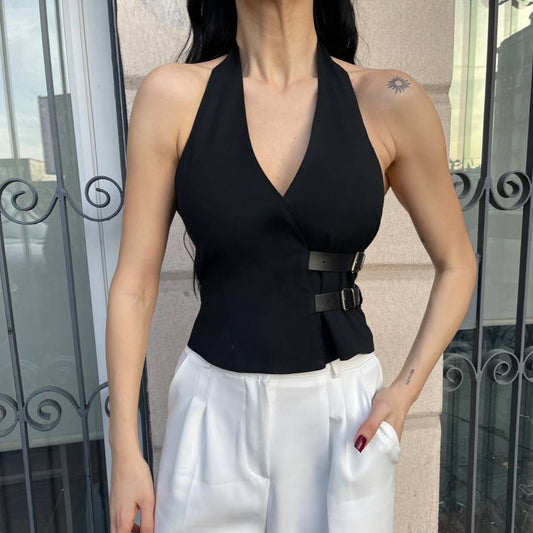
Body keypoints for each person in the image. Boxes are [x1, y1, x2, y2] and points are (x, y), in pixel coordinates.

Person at [106, 1, 477, 532]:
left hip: (341, 417)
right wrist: (125, 448)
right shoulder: (172, 97)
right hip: (213, 412)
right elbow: (135, 286)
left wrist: (405, 391)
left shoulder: (388, 100)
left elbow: (457, 262)